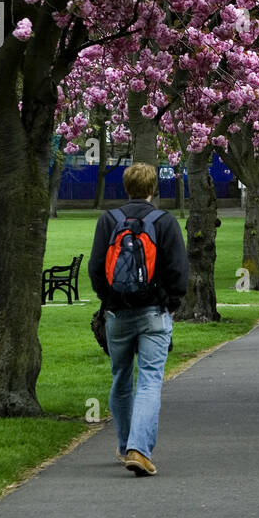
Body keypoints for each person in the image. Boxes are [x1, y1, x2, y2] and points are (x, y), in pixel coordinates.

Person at [88, 162, 189, 477]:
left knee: (121, 377)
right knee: (149, 381)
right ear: (153, 189)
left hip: (117, 313)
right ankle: (139, 449)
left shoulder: (109, 220)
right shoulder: (165, 221)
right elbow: (177, 270)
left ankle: (124, 445)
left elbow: (95, 268)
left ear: (125, 187)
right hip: (154, 313)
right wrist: (172, 302)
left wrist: (108, 300)